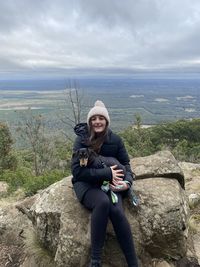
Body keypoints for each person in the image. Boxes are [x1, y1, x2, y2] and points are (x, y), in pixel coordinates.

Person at [71, 100, 138, 267]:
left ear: (106, 121)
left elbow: (126, 165)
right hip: (86, 184)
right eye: (94, 119)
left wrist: (127, 183)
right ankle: (95, 261)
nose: (97, 121)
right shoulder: (81, 141)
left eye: (101, 118)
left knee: (117, 212)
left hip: (111, 184)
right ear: (89, 122)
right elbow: (77, 172)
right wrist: (106, 173)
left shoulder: (115, 140)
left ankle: (133, 263)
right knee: (102, 202)